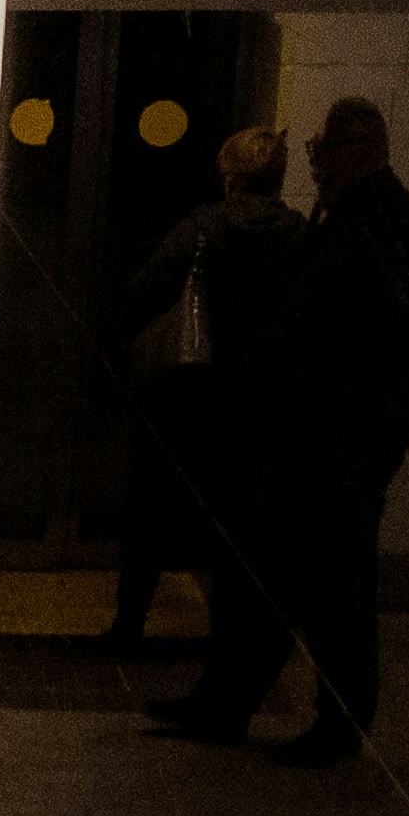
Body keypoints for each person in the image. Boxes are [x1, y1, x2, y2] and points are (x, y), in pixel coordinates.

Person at [180, 94, 409, 761]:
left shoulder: (377, 226)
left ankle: (329, 723)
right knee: (287, 575)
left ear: (360, 152)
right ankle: (229, 704)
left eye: (324, 149)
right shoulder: (365, 216)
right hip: (323, 435)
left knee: (333, 587)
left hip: (340, 443)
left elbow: (371, 340)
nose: (314, 162)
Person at [110, 124, 299, 661]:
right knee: (239, 525)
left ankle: (129, 625)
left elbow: (142, 289)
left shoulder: (201, 229)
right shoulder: (299, 235)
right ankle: (229, 643)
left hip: (188, 392)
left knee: (151, 508)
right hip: (261, 402)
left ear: (230, 176)